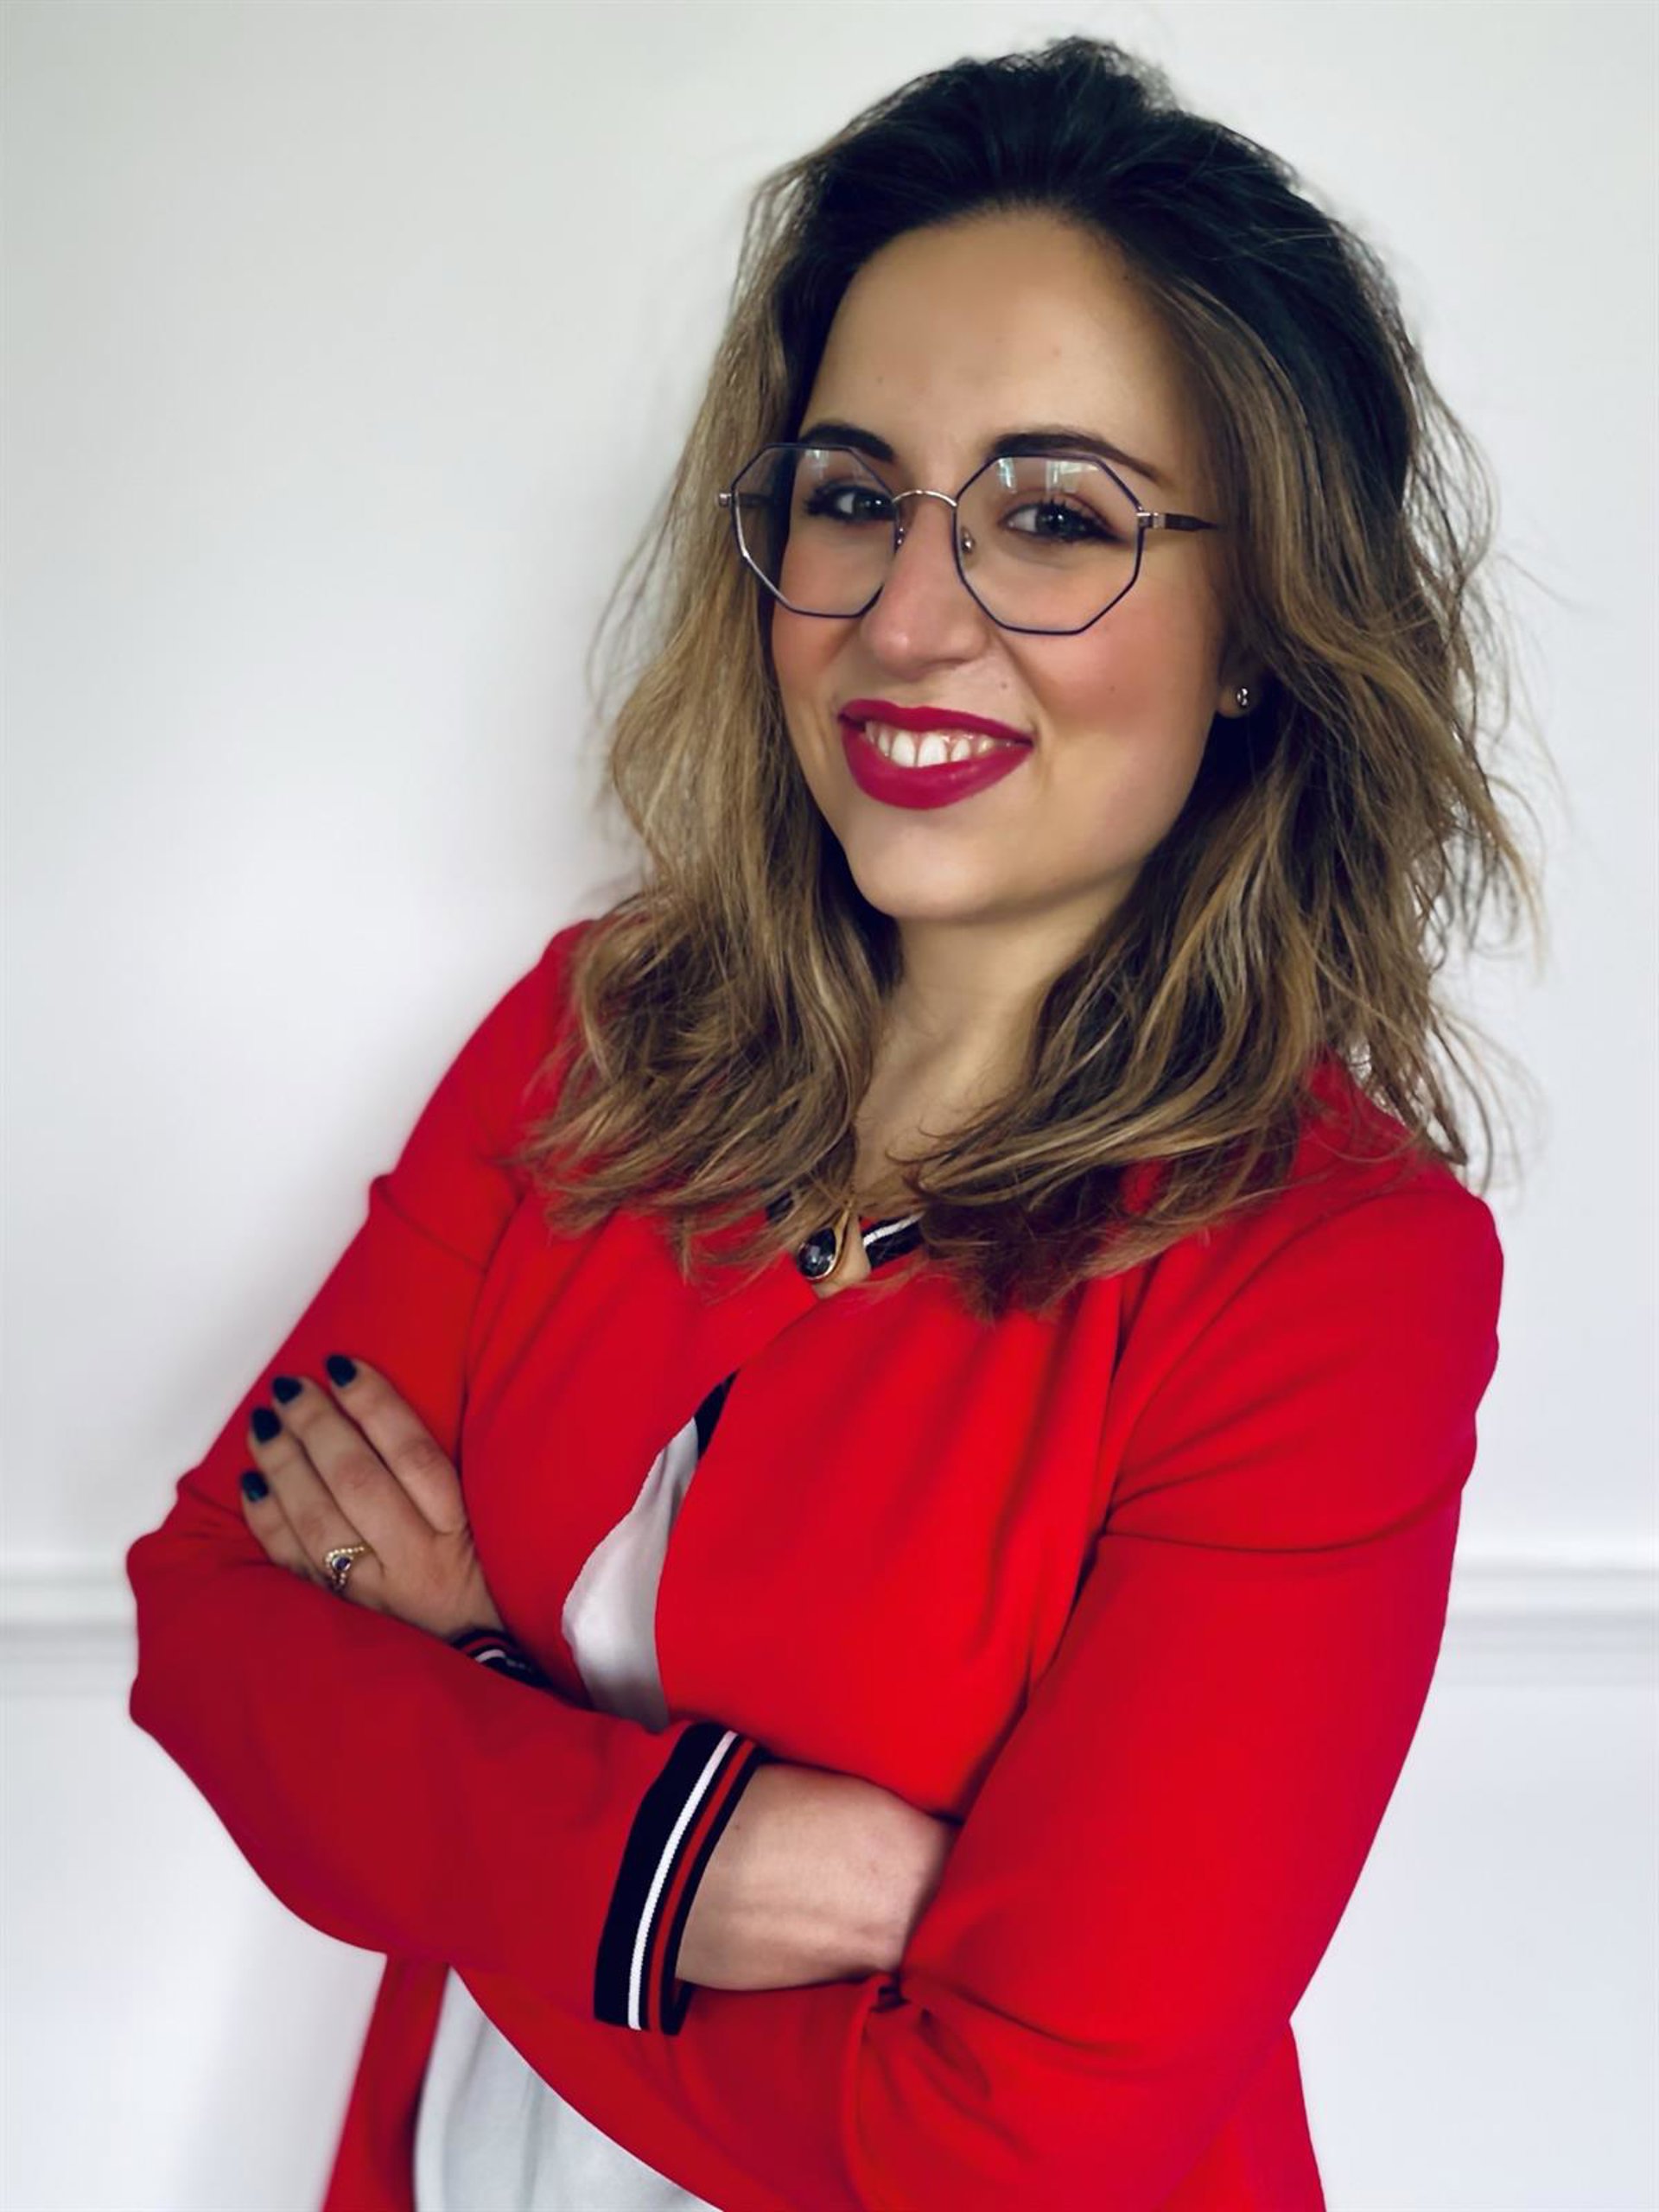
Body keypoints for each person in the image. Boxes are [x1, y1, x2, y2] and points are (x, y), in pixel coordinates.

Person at [124, 33, 1539, 2212]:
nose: (904, 617)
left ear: (1263, 619)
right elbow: (213, 1620)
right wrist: (697, 1867)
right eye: (856, 495)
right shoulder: (598, 1039)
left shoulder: (1336, 1273)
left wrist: (469, 1736)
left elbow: (1013, 2146)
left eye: (1054, 517)